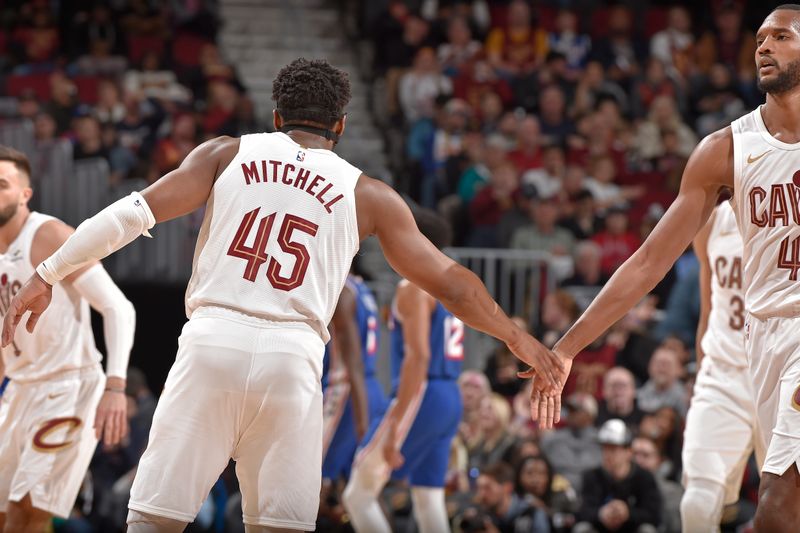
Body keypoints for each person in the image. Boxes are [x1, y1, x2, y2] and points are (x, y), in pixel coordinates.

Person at [2, 58, 562, 532]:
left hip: (212, 342)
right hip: (293, 361)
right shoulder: (367, 193)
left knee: (154, 520)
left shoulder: (226, 153)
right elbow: (453, 283)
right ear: (340, 126)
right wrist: (520, 339)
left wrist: (47, 273)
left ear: (275, 117)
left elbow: (132, 213)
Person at [524, 6, 800, 530]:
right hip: (759, 340)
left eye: (781, 37)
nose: (763, 47)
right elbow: (649, 262)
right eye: (760, 38)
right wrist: (566, 348)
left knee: (778, 503)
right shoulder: (724, 150)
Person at [0, 146, 135, 532]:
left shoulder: (47, 234)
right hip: (20, 388)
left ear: (25, 194)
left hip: (68, 385)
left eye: (2, 185)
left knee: (27, 510)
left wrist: (116, 385)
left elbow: (117, 308)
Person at [343, 210, 464, 533]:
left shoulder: (413, 287)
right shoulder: (452, 284)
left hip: (422, 392)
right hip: (451, 394)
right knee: (428, 498)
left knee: (358, 496)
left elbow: (419, 357)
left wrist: (395, 422)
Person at [681, 200, 763, 531]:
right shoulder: (712, 219)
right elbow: (709, 306)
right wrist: (703, 373)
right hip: (724, 374)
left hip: (787, 374)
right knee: (698, 504)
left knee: (786, 510)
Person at [321, 273, 385, 482]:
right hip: (370, 387)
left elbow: (353, 363)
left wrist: (362, 425)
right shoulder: (360, 287)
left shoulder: (342, 292)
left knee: (308, 481)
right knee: (358, 492)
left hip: (346, 392)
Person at [574, 419, 662, 533]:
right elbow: (581, 512)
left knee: (647, 530)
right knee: (582, 529)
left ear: (629, 452)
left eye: (614, 449)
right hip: (600, 528)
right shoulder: (592, 476)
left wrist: (628, 513)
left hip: (631, 528)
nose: (608, 454)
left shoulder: (644, 477)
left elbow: (654, 516)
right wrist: (601, 514)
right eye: (605, 448)